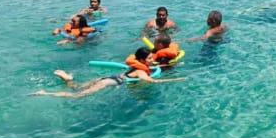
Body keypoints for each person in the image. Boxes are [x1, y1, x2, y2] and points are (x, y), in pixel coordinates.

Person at [31, 48, 185, 99]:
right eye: (150, 58)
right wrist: (176, 79)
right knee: (76, 96)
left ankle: (67, 77)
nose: (153, 59)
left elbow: (155, 66)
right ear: (143, 60)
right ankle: (45, 93)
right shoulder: (140, 70)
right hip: (108, 82)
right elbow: (153, 81)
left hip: (107, 78)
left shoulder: (138, 65)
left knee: (77, 87)